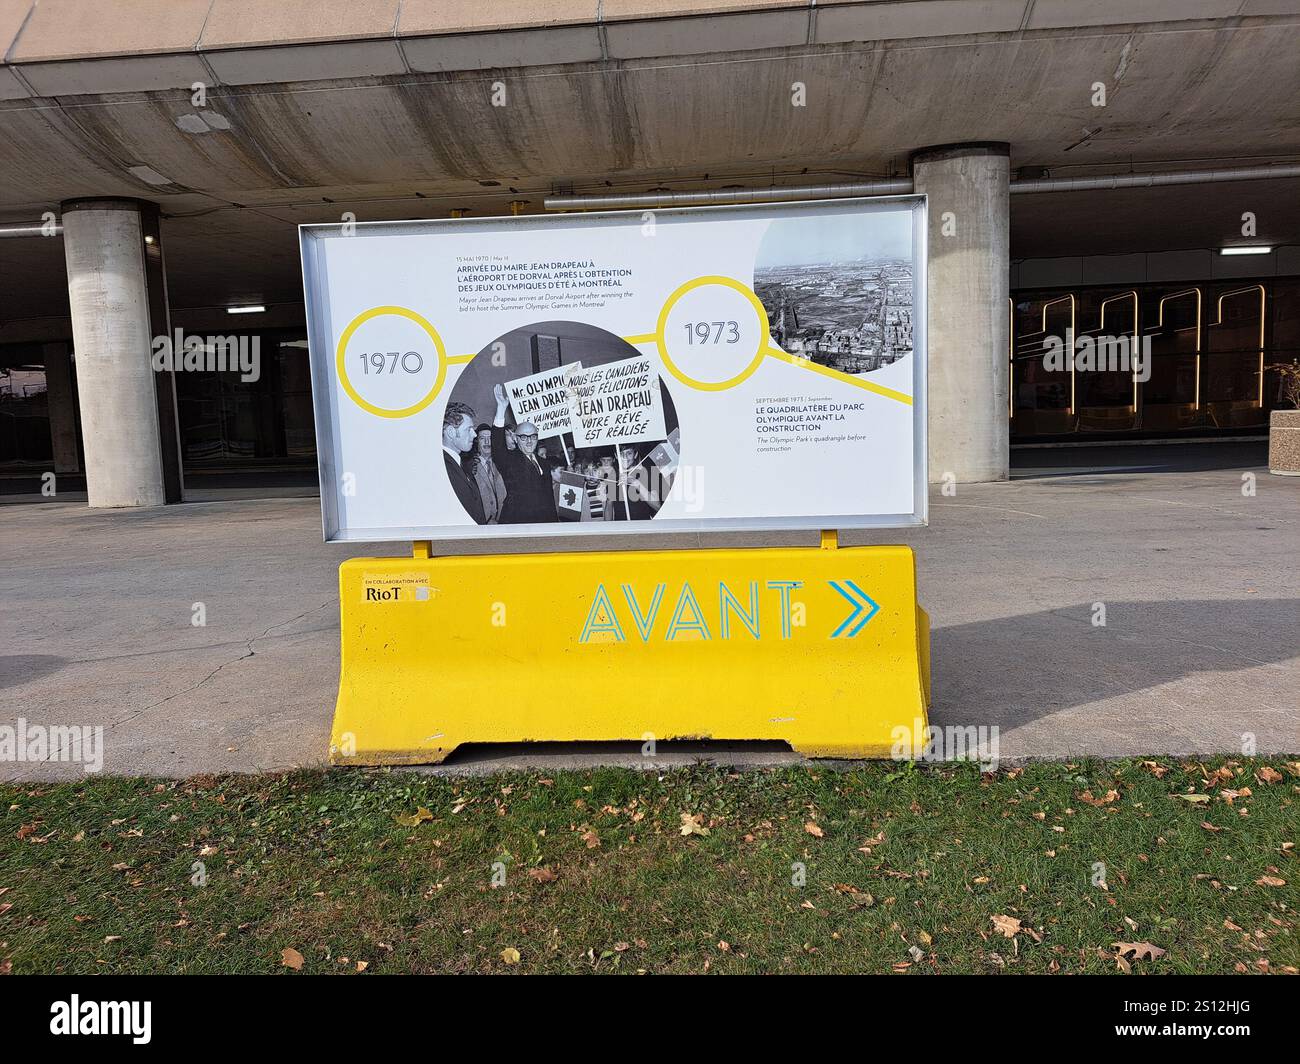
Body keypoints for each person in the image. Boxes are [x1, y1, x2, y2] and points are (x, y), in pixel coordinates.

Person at [491, 382, 558, 523]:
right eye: (523, 437)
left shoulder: (544, 464)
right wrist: (501, 409)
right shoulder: (509, 460)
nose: (529, 441)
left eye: (533, 436)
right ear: (515, 439)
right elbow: (497, 447)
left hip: (543, 523)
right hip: (517, 523)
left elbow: (549, 498)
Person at [442, 401, 485, 523]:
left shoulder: (458, 464)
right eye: (469, 429)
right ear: (450, 432)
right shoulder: (444, 467)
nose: (474, 434)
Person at [468, 423, 507, 524]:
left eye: (490, 438)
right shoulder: (469, 466)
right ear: (477, 442)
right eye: (482, 438)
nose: (487, 442)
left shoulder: (501, 464)